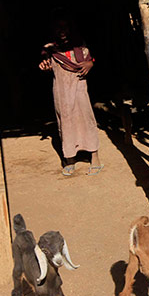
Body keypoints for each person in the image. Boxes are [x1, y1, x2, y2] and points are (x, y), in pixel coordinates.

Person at [39, 13, 103, 176]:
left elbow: (90, 59)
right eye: (58, 28)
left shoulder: (79, 45)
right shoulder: (49, 49)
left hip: (79, 89)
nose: (62, 31)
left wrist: (90, 63)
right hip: (62, 93)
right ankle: (70, 159)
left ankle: (94, 157)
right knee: (65, 122)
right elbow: (45, 63)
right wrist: (45, 65)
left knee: (86, 118)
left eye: (65, 27)